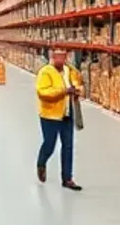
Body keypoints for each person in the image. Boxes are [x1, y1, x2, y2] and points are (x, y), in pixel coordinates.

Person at [35, 48, 84, 191]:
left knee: (68, 146)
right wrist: (63, 91)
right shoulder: (45, 72)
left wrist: (77, 91)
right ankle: (41, 162)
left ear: (66, 57)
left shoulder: (71, 71)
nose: (60, 60)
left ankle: (67, 179)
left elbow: (79, 84)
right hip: (50, 115)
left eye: (63, 57)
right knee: (50, 144)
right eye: (57, 57)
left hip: (67, 114)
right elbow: (42, 92)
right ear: (52, 57)